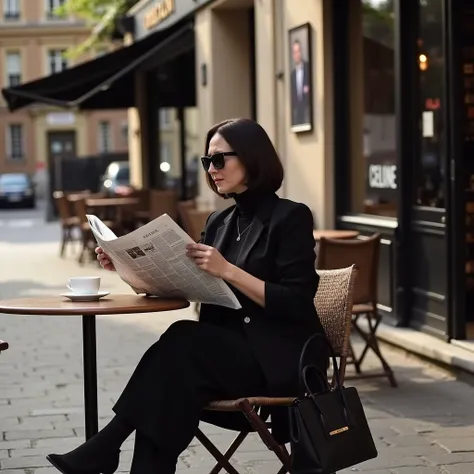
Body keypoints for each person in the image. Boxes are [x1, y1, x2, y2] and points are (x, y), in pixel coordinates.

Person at [46, 118, 328, 474]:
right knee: (171, 384)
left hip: (275, 360)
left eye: (220, 159)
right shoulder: (219, 223)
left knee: (180, 344)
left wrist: (228, 271)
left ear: (252, 159)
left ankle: (107, 444)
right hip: (217, 360)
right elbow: (189, 284)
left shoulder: (291, 217)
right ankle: (110, 449)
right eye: (206, 161)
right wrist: (125, 266)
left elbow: (297, 302)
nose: (212, 170)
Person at [290, 39, 311, 127]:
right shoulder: (293, 74)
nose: (297, 54)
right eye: (294, 52)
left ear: (301, 52)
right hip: (298, 112)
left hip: (307, 109)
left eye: (298, 51)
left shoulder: (308, 68)